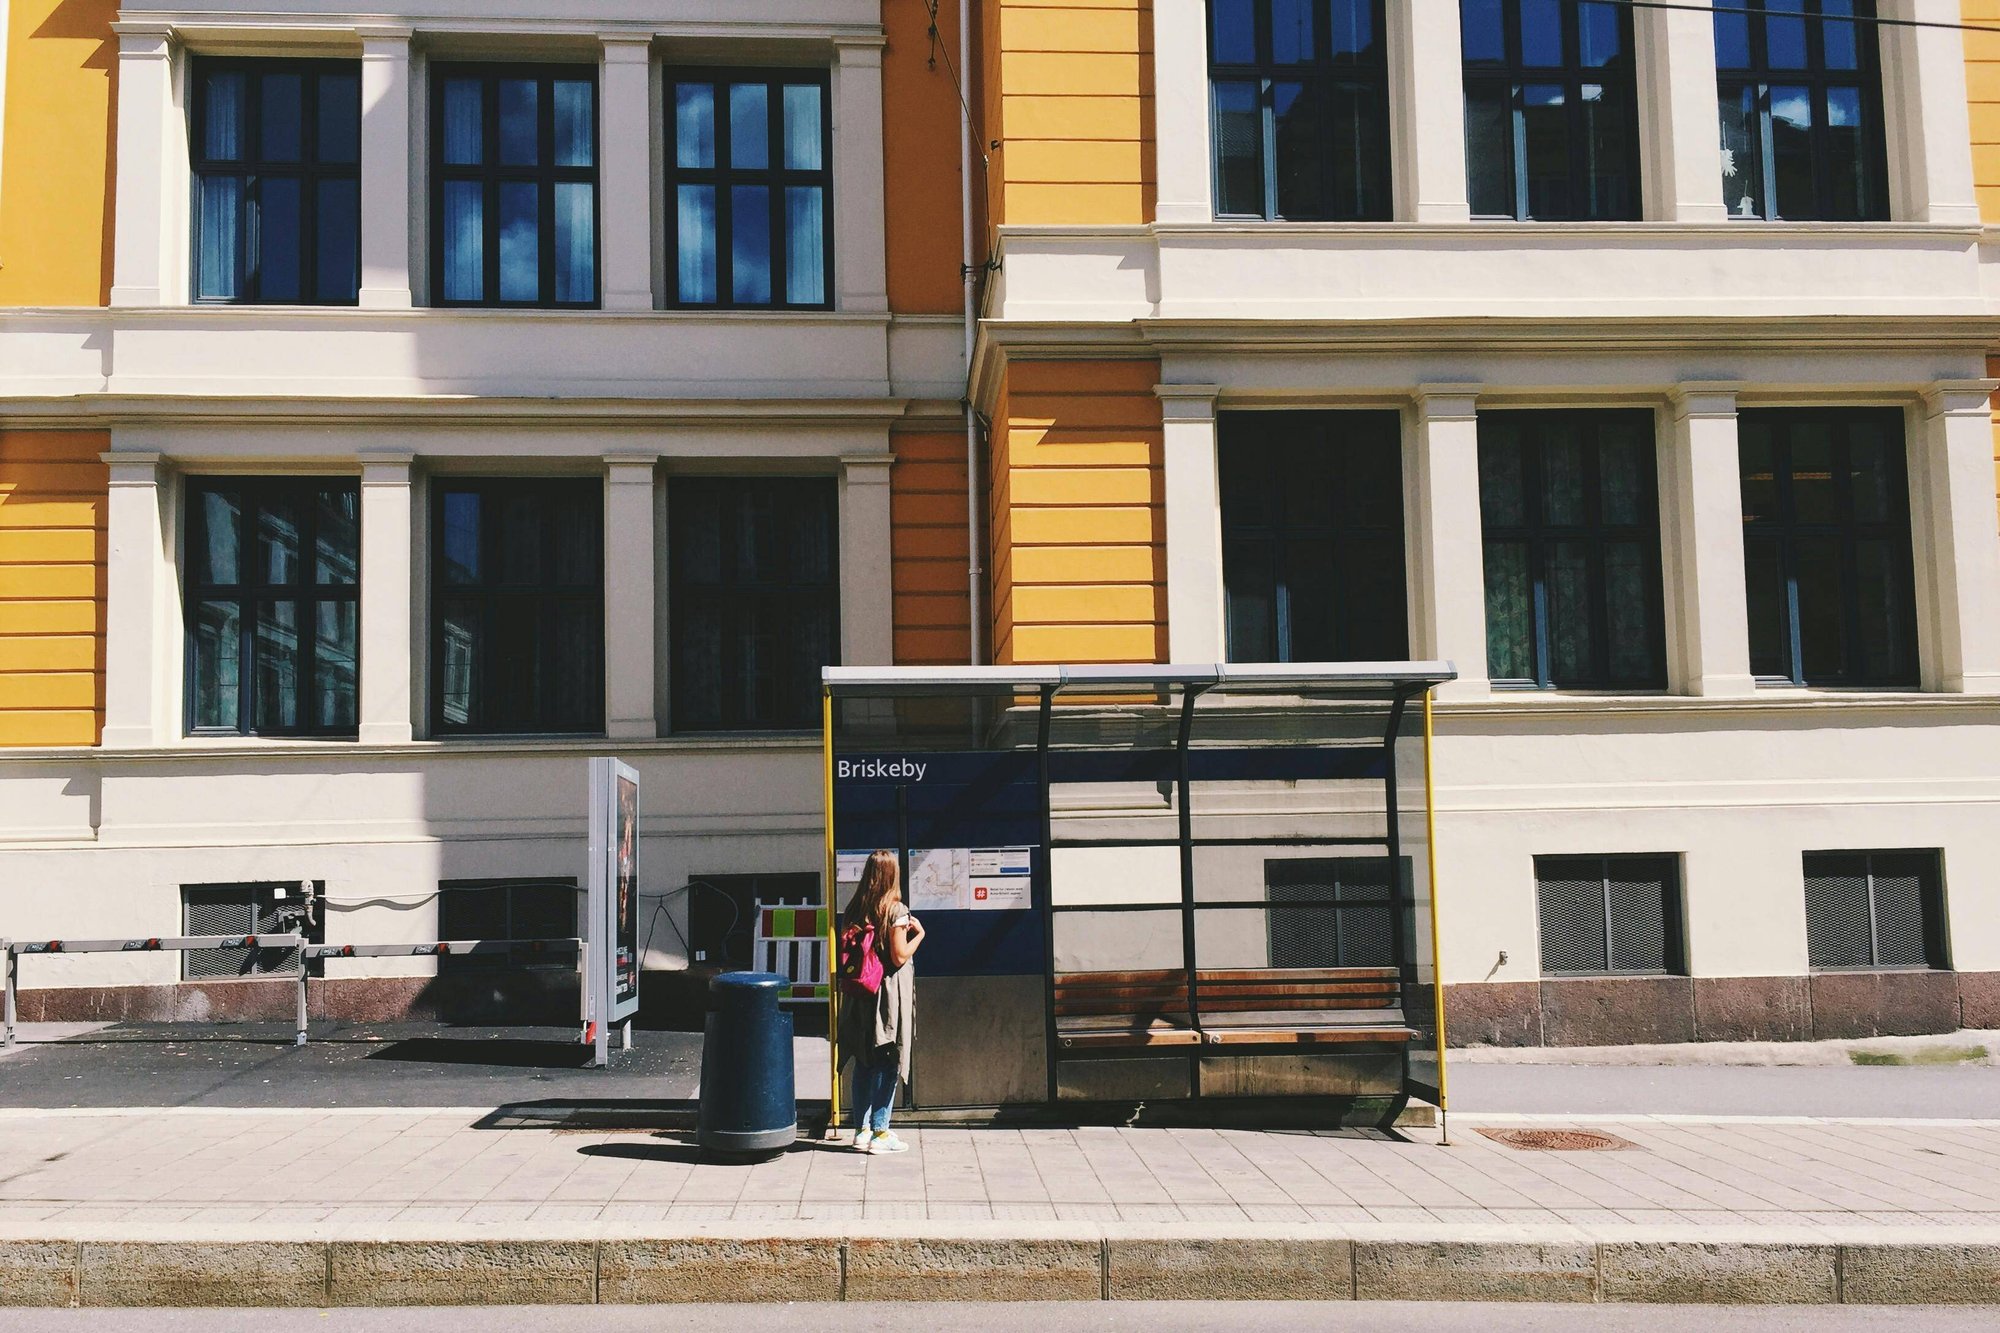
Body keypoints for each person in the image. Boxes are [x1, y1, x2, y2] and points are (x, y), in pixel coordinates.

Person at [839, 849, 924, 1154]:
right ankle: (881, 1132)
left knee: (863, 1060)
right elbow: (899, 955)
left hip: (859, 995)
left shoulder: (855, 908)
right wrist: (920, 935)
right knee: (889, 1060)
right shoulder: (896, 910)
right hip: (887, 997)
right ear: (892, 875)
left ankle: (861, 1130)